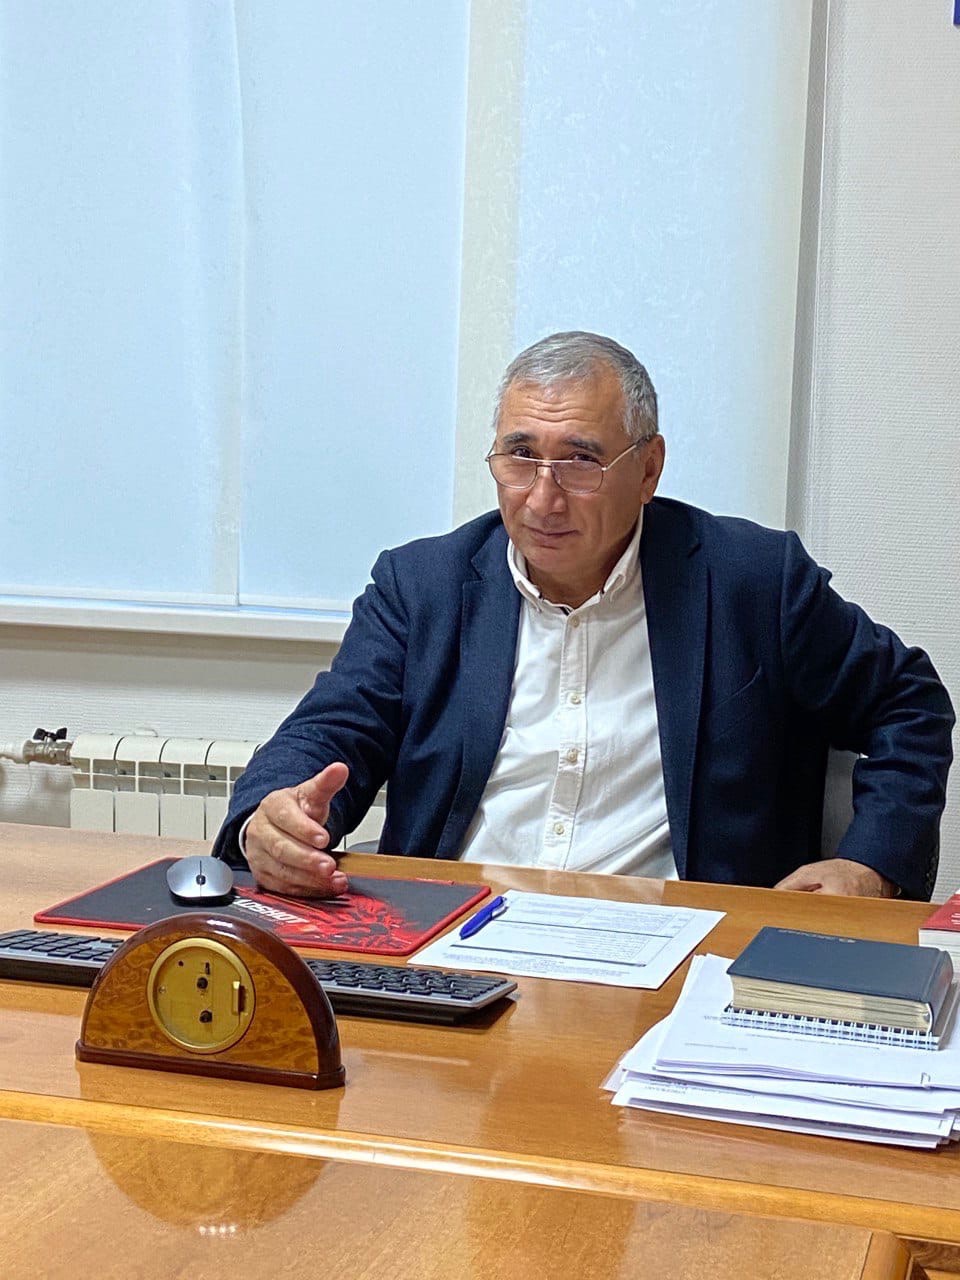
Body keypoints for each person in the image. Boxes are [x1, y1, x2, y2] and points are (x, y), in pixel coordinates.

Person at [214, 332, 954, 901]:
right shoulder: (423, 586)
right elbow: (330, 730)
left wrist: (868, 864)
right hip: (454, 937)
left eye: (579, 461)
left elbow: (909, 704)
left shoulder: (750, 582)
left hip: (680, 952)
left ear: (649, 468)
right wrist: (269, 820)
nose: (543, 498)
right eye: (520, 456)